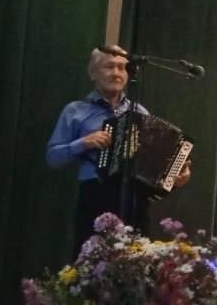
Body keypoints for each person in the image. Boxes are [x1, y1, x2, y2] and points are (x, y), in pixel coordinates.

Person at [46, 46, 190, 255]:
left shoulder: (139, 111)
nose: (116, 73)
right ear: (93, 73)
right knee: (92, 263)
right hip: (95, 195)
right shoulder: (76, 110)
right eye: (109, 66)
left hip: (134, 200)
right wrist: (83, 143)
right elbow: (52, 157)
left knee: (138, 264)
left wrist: (174, 178)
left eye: (122, 68)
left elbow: (151, 169)